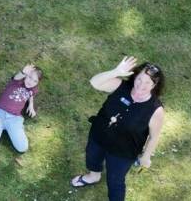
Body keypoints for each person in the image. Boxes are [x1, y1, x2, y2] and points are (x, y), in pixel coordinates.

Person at [70, 57, 165, 201]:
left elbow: (154, 137)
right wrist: (115, 71)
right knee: (92, 158)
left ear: (154, 85)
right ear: (134, 76)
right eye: (139, 79)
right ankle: (93, 176)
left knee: (115, 181)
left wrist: (146, 156)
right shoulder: (121, 86)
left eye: (147, 82)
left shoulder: (155, 110)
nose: (141, 84)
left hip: (123, 152)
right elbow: (94, 82)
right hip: (99, 136)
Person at [0, 64, 42, 153]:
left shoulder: (33, 88)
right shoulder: (17, 81)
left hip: (14, 119)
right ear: (26, 75)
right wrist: (23, 72)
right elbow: (17, 76)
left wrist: (31, 105)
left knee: (23, 148)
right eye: (30, 77)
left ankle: (12, 127)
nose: (31, 82)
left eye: (35, 81)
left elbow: (31, 94)